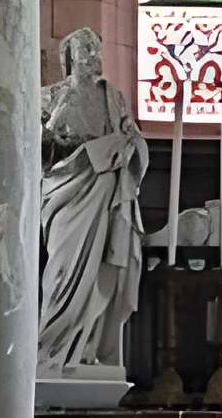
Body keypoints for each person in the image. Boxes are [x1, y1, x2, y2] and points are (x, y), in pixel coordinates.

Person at [39, 29, 146, 375]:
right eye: (85, 50)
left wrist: (127, 146)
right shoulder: (50, 96)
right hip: (65, 196)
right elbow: (34, 147)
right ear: (68, 57)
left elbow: (135, 142)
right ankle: (48, 349)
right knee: (61, 272)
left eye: (96, 50)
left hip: (104, 196)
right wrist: (56, 122)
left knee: (100, 271)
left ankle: (86, 349)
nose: (93, 56)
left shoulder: (113, 98)